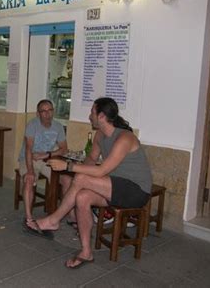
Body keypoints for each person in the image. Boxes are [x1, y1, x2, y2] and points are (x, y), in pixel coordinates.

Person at [25, 97, 152, 269]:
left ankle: (53, 220)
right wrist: (75, 173)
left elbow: (101, 171)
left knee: (81, 179)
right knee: (82, 197)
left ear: (101, 116)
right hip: (115, 186)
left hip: (136, 190)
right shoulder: (100, 135)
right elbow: (91, 159)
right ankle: (86, 252)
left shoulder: (125, 138)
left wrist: (69, 166)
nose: (89, 115)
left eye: (92, 112)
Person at [18, 99, 69, 222]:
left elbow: (64, 149)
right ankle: (29, 218)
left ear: (53, 111)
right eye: (43, 111)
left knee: (67, 180)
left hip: (46, 159)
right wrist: (30, 171)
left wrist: (46, 155)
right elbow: (28, 149)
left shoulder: (58, 126)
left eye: (50, 110)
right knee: (29, 179)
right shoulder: (32, 125)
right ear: (38, 114)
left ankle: (67, 215)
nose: (47, 114)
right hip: (29, 159)